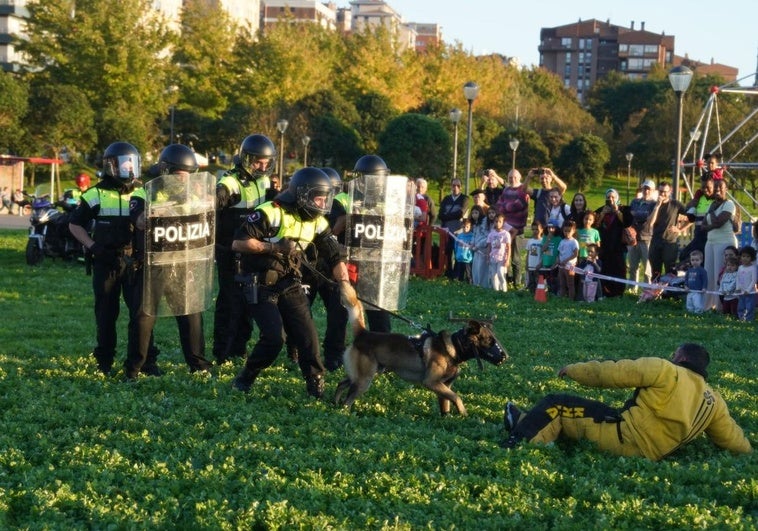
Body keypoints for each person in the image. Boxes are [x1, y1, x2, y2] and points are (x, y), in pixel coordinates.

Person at [503, 343, 752, 461]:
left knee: (556, 404)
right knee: (586, 415)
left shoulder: (666, 370)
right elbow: (731, 437)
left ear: (681, 357)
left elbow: (612, 372)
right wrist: (750, 454)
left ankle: (519, 442)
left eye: (674, 354)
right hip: (651, 455)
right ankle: (526, 421)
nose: (671, 356)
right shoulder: (714, 401)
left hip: (620, 436)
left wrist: (574, 370)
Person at [230, 167, 349, 398]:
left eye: (326, 198)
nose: (323, 204)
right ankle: (247, 376)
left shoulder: (318, 221)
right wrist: (274, 248)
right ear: (302, 194)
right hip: (259, 283)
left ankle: (315, 384)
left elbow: (334, 254)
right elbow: (238, 243)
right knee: (275, 338)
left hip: (290, 281)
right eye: (318, 198)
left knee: (308, 335)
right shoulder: (269, 212)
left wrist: (344, 283)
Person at [124, 144, 213, 379]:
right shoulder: (144, 193)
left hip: (184, 264)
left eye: (189, 176)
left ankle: (199, 367)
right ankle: (134, 369)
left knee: (191, 315)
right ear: (166, 172)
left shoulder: (194, 197)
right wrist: (159, 212)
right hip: (153, 265)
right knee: (143, 318)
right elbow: (140, 220)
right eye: (180, 176)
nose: (185, 182)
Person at [68, 141, 143, 376]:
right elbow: (74, 224)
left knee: (141, 314)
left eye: (132, 164)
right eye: (124, 165)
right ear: (111, 166)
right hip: (106, 262)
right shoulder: (95, 193)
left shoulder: (142, 191)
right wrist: (92, 246)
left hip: (134, 262)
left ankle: (144, 361)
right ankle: (104, 361)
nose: (129, 169)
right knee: (106, 314)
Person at [213, 134, 276, 364]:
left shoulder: (264, 181)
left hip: (252, 250)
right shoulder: (230, 182)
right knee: (229, 302)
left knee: (249, 301)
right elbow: (215, 202)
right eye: (258, 162)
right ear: (246, 159)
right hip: (229, 250)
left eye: (266, 162)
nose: (262, 166)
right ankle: (222, 351)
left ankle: (239, 348)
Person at [702, 179, 738, 311]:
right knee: (709, 275)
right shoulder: (711, 205)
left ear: (725, 189)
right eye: (715, 188)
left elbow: (718, 222)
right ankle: (706, 306)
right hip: (710, 242)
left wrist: (711, 213)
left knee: (719, 275)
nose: (717, 190)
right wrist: (709, 224)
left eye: (720, 188)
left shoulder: (729, 204)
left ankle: (720, 307)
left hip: (724, 242)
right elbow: (702, 226)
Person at [495, 169, 530, 289]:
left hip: (518, 229)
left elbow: (519, 204)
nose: (512, 179)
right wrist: (506, 207)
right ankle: (507, 279)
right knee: (505, 255)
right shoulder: (506, 190)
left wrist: (506, 206)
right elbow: (499, 204)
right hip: (505, 229)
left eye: (514, 177)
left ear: (519, 177)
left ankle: (516, 282)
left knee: (516, 257)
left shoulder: (523, 190)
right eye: (510, 177)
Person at [646, 182, 688, 279]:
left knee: (670, 271)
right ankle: (655, 292)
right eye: (660, 191)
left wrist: (680, 229)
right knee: (655, 272)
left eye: (665, 192)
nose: (662, 194)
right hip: (655, 241)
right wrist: (657, 206)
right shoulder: (653, 205)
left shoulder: (675, 204)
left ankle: (669, 292)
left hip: (670, 243)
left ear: (670, 192)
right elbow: (650, 223)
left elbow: (691, 217)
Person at [593, 189, 631, 297]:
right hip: (604, 247)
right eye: (608, 197)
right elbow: (594, 225)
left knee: (619, 269)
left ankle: (619, 292)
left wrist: (617, 211)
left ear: (617, 198)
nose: (611, 199)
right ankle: (605, 291)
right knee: (605, 269)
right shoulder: (601, 210)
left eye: (613, 197)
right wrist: (602, 214)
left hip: (618, 246)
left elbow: (627, 223)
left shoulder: (623, 209)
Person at [627, 179, 657, 288]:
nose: (646, 191)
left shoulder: (654, 204)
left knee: (647, 269)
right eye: (645, 188)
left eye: (649, 189)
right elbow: (630, 215)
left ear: (653, 190)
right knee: (633, 267)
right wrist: (642, 215)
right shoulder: (634, 202)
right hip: (633, 239)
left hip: (647, 238)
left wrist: (637, 214)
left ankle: (646, 291)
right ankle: (631, 290)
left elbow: (650, 219)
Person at [438, 178, 469, 278]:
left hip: (458, 231)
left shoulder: (465, 198)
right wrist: (452, 215)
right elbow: (440, 215)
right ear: (451, 186)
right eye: (453, 185)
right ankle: (448, 273)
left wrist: (447, 215)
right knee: (447, 252)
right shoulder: (446, 199)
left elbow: (461, 213)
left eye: (458, 186)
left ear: (461, 187)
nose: (455, 188)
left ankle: (458, 275)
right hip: (446, 231)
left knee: (458, 253)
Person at [680, 176, 715, 262]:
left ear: (714, 187)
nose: (705, 190)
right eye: (703, 187)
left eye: (708, 187)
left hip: (710, 237)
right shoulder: (699, 198)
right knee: (683, 256)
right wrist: (692, 204)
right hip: (698, 236)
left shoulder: (717, 200)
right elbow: (690, 217)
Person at [486, 212, 511, 292]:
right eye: (496, 221)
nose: (497, 223)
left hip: (502, 258)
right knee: (493, 275)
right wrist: (487, 257)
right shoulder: (491, 234)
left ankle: (504, 290)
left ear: (503, 223)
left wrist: (507, 259)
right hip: (493, 257)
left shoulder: (505, 234)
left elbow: (508, 247)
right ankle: (496, 291)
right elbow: (489, 246)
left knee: (500, 273)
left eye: (500, 221)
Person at [556, 220, 579, 300]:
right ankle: (562, 297)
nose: (567, 233)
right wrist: (558, 260)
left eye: (569, 231)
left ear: (573, 231)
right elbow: (559, 253)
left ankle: (571, 298)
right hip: (561, 266)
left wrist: (566, 260)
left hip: (569, 266)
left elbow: (575, 254)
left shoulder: (574, 242)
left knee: (570, 284)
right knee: (562, 282)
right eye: (565, 231)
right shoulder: (562, 241)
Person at [540, 218, 563, 294]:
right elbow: (543, 249)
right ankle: (548, 292)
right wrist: (548, 239)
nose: (551, 229)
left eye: (553, 228)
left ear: (556, 228)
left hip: (554, 264)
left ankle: (555, 293)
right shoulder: (545, 237)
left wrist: (555, 263)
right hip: (546, 263)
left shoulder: (559, 239)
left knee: (554, 280)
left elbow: (559, 253)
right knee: (547, 280)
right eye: (549, 227)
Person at [470, 206, 489, 288]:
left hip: (483, 249)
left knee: (482, 267)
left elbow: (487, 236)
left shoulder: (484, 222)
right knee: (476, 266)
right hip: (476, 249)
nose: (474, 215)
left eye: (476, 213)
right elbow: (474, 235)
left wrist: (478, 245)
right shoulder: (475, 223)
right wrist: (472, 243)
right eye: (473, 213)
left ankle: (483, 285)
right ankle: (476, 284)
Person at [736, 246, 757, 321]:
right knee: (741, 306)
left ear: (752, 258)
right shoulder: (740, 267)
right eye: (743, 256)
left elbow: (754, 280)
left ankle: (749, 320)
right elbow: (738, 278)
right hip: (741, 292)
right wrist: (737, 288)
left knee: (749, 307)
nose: (745, 258)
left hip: (750, 293)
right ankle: (741, 318)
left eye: (748, 256)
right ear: (740, 257)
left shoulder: (753, 268)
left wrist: (748, 290)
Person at [684, 249, 708, 314]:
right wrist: (686, 286)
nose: (694, 262)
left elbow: (705, 280)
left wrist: (704, 288)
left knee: (698, 304)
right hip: (690, 291)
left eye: (697, 260)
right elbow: (686, 279)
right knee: (689, 304)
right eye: (692, 260)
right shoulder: (689, 270)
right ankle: (690, 313)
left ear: (701, 260)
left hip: (698, 292)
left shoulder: (702, 271)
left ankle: (698, 314)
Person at [525, 221, 544, 293]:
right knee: (531, 282)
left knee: (538, 281)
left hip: (539, 266)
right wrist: (527, 264)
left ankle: (539, 294)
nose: (535, 231)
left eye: (537, 229)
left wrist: (541, 264)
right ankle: (531, 295)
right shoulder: (530, 241)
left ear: (541, 230)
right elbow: (528, 253)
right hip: (531, 266)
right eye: (533, 229)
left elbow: (544, 255)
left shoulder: (542, 241)